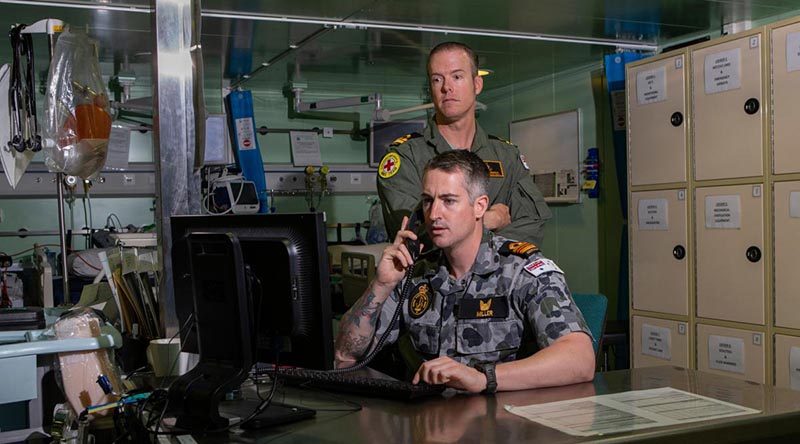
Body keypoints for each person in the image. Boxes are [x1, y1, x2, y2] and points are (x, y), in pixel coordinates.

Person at [336, 150, 594, 393]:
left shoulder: (520, 270)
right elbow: (345, 356)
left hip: (503, 424)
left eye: (449, 201)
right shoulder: (415, 273)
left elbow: (579, 359)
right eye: (428, 201)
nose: (434, 214)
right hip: (430, 423)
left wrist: (484, 377)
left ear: (480, 206)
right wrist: (381, 285)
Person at [377, 41, 551, 245]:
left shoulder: (506, 155)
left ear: (477, 84)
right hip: (433, 277)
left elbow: (533, 223)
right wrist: (486, 220)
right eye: (437, 79)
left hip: (499, 277)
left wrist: (465, 237)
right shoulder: (407, 157)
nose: (446, 87)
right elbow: (417, 235)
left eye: (457, 77)